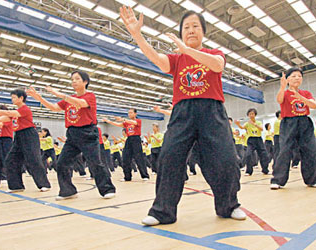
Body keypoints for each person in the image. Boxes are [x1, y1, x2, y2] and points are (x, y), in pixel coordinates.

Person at [120, 6, 246, 225]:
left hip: (212, 111)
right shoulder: (177, 60)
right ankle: (162, 212)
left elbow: (217, 66)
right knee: (169, 158)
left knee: (226, 159)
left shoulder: (214, 54)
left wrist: (186, 50)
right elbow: (157, 59)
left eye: (195, 26)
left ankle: (228, 205)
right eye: (186, 27)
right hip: (183, 112)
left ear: (203, 32)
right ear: (180, 34)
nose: (190, 30)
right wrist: (137, 35)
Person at [27, 71, 115, 200]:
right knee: (62, 163)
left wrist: (59, 94)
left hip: (88, 133)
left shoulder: (90, 96)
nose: (74, 81)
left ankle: (107, 189)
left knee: (95, 163)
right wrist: (39, 98)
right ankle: (68, 191)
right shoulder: (68, 99)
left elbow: (81, 104)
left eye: (77, 79)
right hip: (72, 134)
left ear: (85, 82)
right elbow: (54, 107)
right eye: (72, 79)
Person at [0, 89, 51, 193]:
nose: (12, 99)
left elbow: (8, 112)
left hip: (29, 134)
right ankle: (16, 186)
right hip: (18, 135)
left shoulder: (24, 109)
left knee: (33, 160)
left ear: (21, 98)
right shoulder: (14, 113)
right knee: (11, 160)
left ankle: (44, 184)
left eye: (14, 97)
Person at [270, 68, 316, 189]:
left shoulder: (306, 93)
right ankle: (278, 180)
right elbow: (279, 100)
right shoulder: (285, 92)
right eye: (293, 76)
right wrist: (282, 87)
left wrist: (300, 97)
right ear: (287, 79)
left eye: (299, 76)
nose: (297, 78)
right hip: (289, 122)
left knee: (310, 150)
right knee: (284, 151)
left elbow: (314, 105)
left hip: (305, 122)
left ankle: (312, 179)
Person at [103, 109, 150, 181]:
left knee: (139, 158)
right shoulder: (126, 123)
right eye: (128, 113)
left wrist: (122, 119)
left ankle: (144, 175)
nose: (129, 114)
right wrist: (108, 121)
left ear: (135, 114)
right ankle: (127, 177)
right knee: (125, 158)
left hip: (136, 139)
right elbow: (118, 124)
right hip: (129, 139)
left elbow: (132, 122)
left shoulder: (138, 121)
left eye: (131, 113)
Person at [235, 108, 270, 176]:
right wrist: (238, 124)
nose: (251, 115)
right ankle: (248, 171)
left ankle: (265, 170)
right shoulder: (247, 123)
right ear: (248, 115)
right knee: (248, 155)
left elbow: (261, 129)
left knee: (264, 155)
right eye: (250, 114)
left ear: (255, 115)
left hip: (259, 139)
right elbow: (242, 128)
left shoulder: (258, 122)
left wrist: (254, 124)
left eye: (252, 114)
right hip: (251, 140)